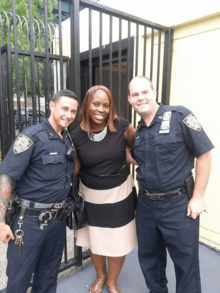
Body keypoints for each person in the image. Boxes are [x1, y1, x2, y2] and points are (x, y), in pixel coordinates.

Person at [128, 76, 214, 293]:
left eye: (144, 92)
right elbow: (139, 159)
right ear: (130, 99)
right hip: (147, 204)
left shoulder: (180, 116)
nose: (141, 98)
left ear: (154, 92)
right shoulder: (139, 131)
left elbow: (204, 154)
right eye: (135, 95)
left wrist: (198, 196)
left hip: (178, 204)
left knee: (185, 262)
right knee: (149, 257)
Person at [0, 89, 78, 293]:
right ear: (52, 106)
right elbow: (7, 176)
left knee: (48, 277)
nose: (68, 115)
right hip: (29, 224)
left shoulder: (66, 138)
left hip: (57, 221)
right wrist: (0, 222)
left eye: (73, 111)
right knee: (18, 280)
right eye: (64, 108)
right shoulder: (31, 136)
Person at [71, 85, 137, 293]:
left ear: (111, 108)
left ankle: (112, 281)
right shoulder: (76, 135)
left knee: (119, 238)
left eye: (106, 105)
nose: (101, 109)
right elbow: (76, 166)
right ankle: (100, 276)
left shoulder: (123, 126)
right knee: (96, 238)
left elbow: (135, 148)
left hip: (120, 192)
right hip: (90, 194)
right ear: (86, 105)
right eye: (96, 104)